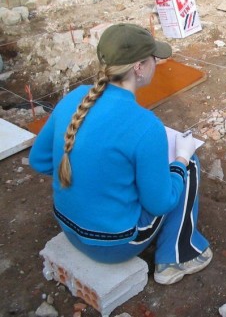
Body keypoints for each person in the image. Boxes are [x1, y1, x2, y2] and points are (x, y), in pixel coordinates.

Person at [29, 23, 212, 285]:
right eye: (153, 60)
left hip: (69, 227)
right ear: (139, 67)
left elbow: (39, 160)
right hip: (113, 245)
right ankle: (177, 257)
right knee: (189, 163)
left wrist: (92, 179)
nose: (156, 64)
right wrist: (180, 160)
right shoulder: (145, 125)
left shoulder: (76, 97)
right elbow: (160, 203)